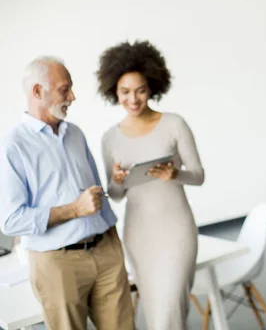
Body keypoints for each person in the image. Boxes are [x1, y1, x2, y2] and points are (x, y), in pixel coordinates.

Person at [0, 57, 134, 330]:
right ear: (38, 92)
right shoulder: (12, 146)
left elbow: (95, 195)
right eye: (64, 89)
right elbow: (11, 220)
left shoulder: (75, 134)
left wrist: (116, 187)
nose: (72, 96)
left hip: (106, 250)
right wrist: (74, 210)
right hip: (57, 263)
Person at [97, 40, 205, 330]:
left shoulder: (174, 124)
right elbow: (117, 196)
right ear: (114, 92)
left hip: (176, 230)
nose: (133, 99)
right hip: (139, 233)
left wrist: (175, 174)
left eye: (140, 90)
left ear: (152, 87)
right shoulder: (110, 138)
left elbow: (198, 175)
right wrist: (116, 181)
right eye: (125, 92)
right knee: (156, 310)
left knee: (172, 305)